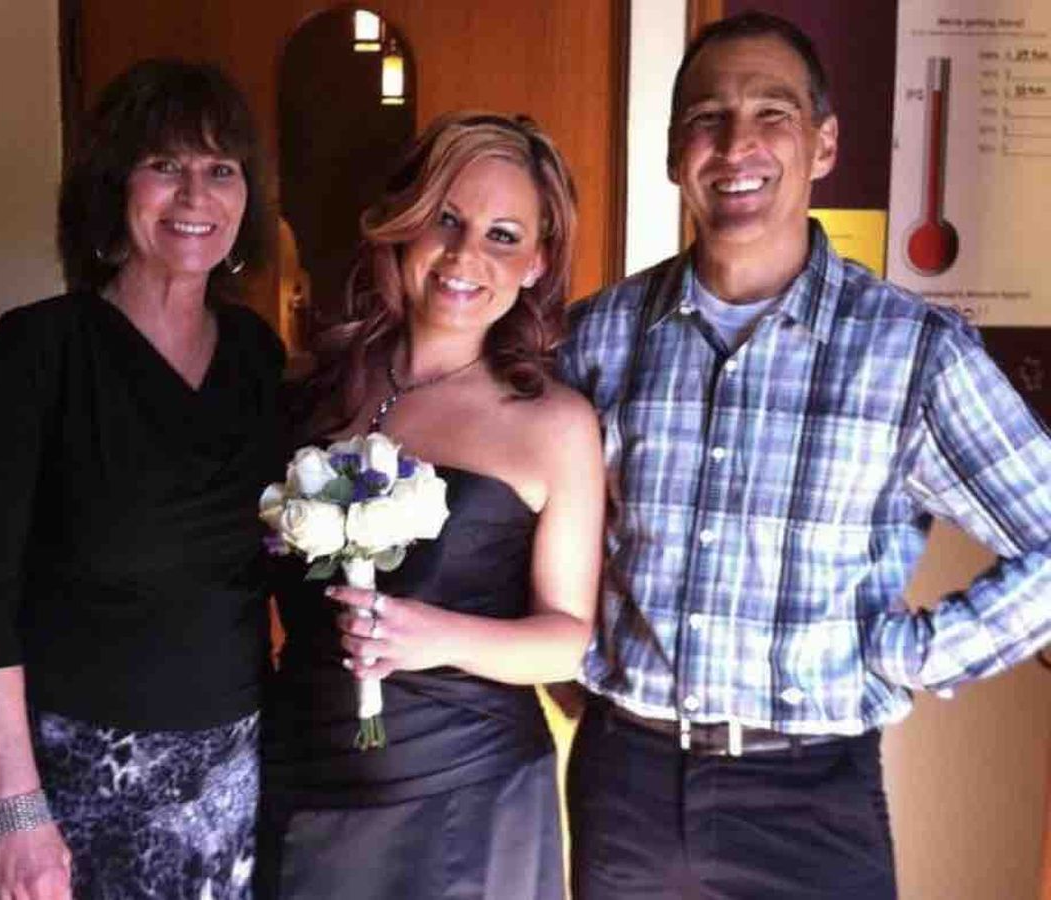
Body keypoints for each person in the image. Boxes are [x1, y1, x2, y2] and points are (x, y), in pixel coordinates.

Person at [559, 11, 1051, 899]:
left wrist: (918, 654)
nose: (735, 145)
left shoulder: (913, 354)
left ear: (823, 143)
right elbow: (544, 528)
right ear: (674, 153)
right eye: (707, 118)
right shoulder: (599, 336)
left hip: (811, 799)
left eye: (771, 114)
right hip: (624, 782)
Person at [0, 59, 284, 898]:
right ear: (112, 188)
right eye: (164, 165)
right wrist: (17, 810)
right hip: (74, 782)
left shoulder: (257, 354)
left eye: (221, 169)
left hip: (230, 775)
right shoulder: (38, 352)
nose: (196, 196)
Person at [254, 111, 604, 900]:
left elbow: (569, 641)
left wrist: (435, 636)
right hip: (301, 778)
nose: (465, 255)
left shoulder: (553, 423)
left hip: (469, 804)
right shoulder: (311, 392)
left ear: (538, 263)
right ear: (403, 226)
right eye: (446, 219)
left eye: (503, 235)